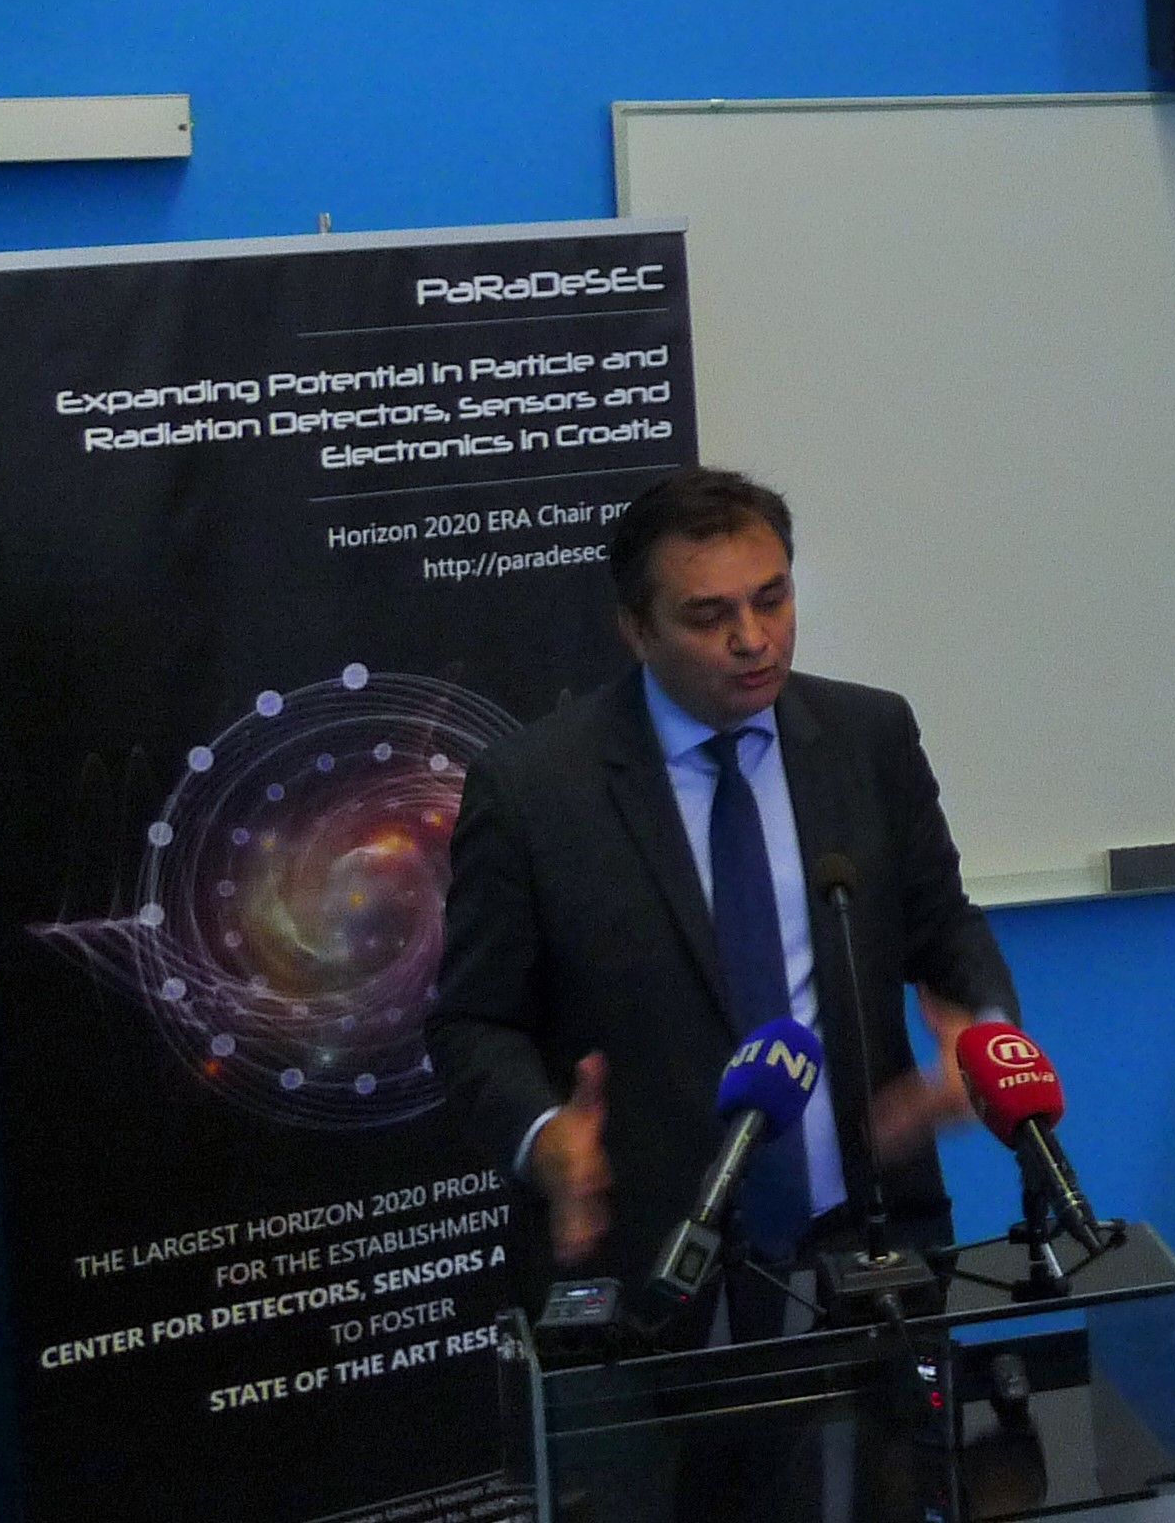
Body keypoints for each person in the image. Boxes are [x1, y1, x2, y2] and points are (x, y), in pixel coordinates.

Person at [428, 467, 1019, 1328]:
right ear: (637, 630)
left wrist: (984, 1035)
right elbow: (472, 1020)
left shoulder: (869, 738)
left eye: (772, 600)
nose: (754, 639)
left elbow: (942, 925)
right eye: (709, 616)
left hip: (866, 1238)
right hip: (645, 1257)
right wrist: (541, 1136)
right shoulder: (533, 789)